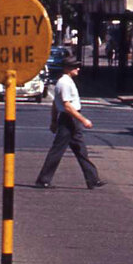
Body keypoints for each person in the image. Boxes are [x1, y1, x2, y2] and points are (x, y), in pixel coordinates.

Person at [36, 54, 105, 189]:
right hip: (69, 119)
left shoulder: (66, 81)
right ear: (68, 68)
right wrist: (83, 119)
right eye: (75, 67)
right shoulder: (64, 83)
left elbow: (55, 104)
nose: (78, 69)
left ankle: (92, 179)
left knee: (80, 150)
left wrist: (53, 121)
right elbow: (66, 106)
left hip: (69, 119)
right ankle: (43, 180)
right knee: (57, 150)